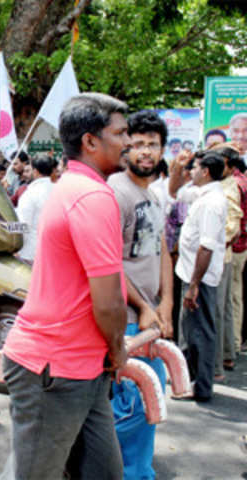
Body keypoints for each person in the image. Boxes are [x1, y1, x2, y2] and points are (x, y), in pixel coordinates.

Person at [0, 93, 130, 480]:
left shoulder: (75, 186)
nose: (128, 142)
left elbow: (110, 281)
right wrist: (119, 348)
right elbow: (107, 304)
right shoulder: (91, 195)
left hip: (81, 366)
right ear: (90, 141)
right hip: (55, 370)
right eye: (121, 133)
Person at [107, 110, 172, 480]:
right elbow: (108, 264)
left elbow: (160, 248)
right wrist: (144, 307)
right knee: (129, 414)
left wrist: (164, 304)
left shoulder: (153, 195)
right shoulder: (116, 192)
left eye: (154, 144)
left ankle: (139, 473)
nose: (146, 151)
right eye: (139, 143)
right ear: (126, 147)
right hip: (127, 324)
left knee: (148, 407)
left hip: (148, 323)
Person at [175, 151, 227, 402]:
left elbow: (206, 247)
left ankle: (202, 387)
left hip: (201, 278)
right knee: (191, 330)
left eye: (194, 167)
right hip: (193, 274)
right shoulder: (203, 194)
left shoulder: (212, 202)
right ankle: (190, 379)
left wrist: (194, 284)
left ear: (205, 171)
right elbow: (175, 191)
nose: (191, 171)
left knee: (201, 332)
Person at [207, 144, 243, 380]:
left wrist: (214, 241)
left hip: (219, 257)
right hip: (224, 255)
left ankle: (218, 362)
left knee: (218, 310)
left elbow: (233, 227)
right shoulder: (225, 185)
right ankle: (227, 354)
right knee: (226, 307)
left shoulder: (228, 189)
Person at [15, 154, 56, 263]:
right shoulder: (59, 190)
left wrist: (4, 226)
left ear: (35, 171)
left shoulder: (30, 193)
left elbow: (23, 226)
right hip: (54, 251)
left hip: (32, 253)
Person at [226, 147, 247, 353]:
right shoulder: (242, 182)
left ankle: (232, 342)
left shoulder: (236, 185)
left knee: (232, 297)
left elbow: (234, 223)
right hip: (241, 246)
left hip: (235, 247)